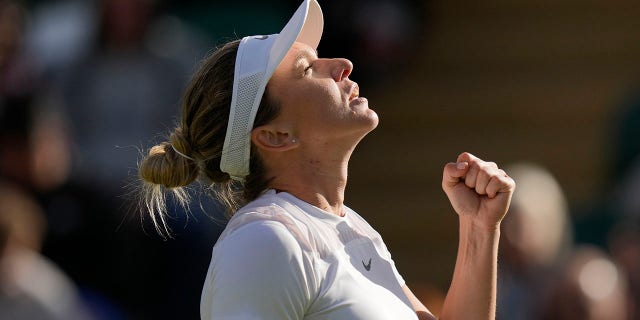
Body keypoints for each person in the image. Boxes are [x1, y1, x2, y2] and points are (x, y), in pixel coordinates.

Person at [137, 0, 515, 319]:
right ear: (275, 136)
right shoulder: (263, 241)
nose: (342, 65)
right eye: (307, 69)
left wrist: (479, 230)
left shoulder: (353, 229)